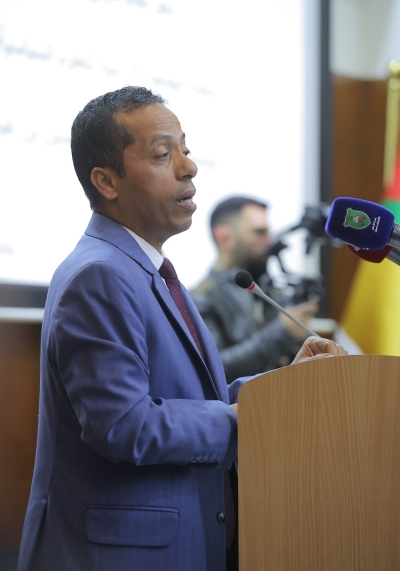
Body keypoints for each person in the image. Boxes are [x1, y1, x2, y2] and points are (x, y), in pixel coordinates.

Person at [17, 86, 347, 571]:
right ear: (106, 181)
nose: (189, 167)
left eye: (186, 151)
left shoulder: (150, 271)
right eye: (162, 154)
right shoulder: (100, 275)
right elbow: (124, 426)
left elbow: (195, 397)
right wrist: (243, 418)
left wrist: (286, 387)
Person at [191, 196, 319, 381]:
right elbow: (215, 368)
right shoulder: (200, 298)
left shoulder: (271, 292)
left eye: (268, 233)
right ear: (224, 237)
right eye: (259, 232)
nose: (269, 242)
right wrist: (283, 332)